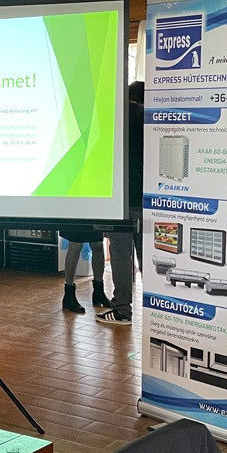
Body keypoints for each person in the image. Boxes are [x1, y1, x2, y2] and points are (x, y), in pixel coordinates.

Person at [97, 80, 145, 325]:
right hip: (148, 201)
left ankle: (122, 311)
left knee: (120, 257)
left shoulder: (115, 119)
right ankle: (158, 312)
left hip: (120, 203)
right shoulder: (151, 119)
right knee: (149, 258)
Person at [59, 227, 111, 314]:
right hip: (75, 219)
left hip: (93, 218)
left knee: (98, 244)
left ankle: (98, 292)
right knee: (75, 245)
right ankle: (69, 295)